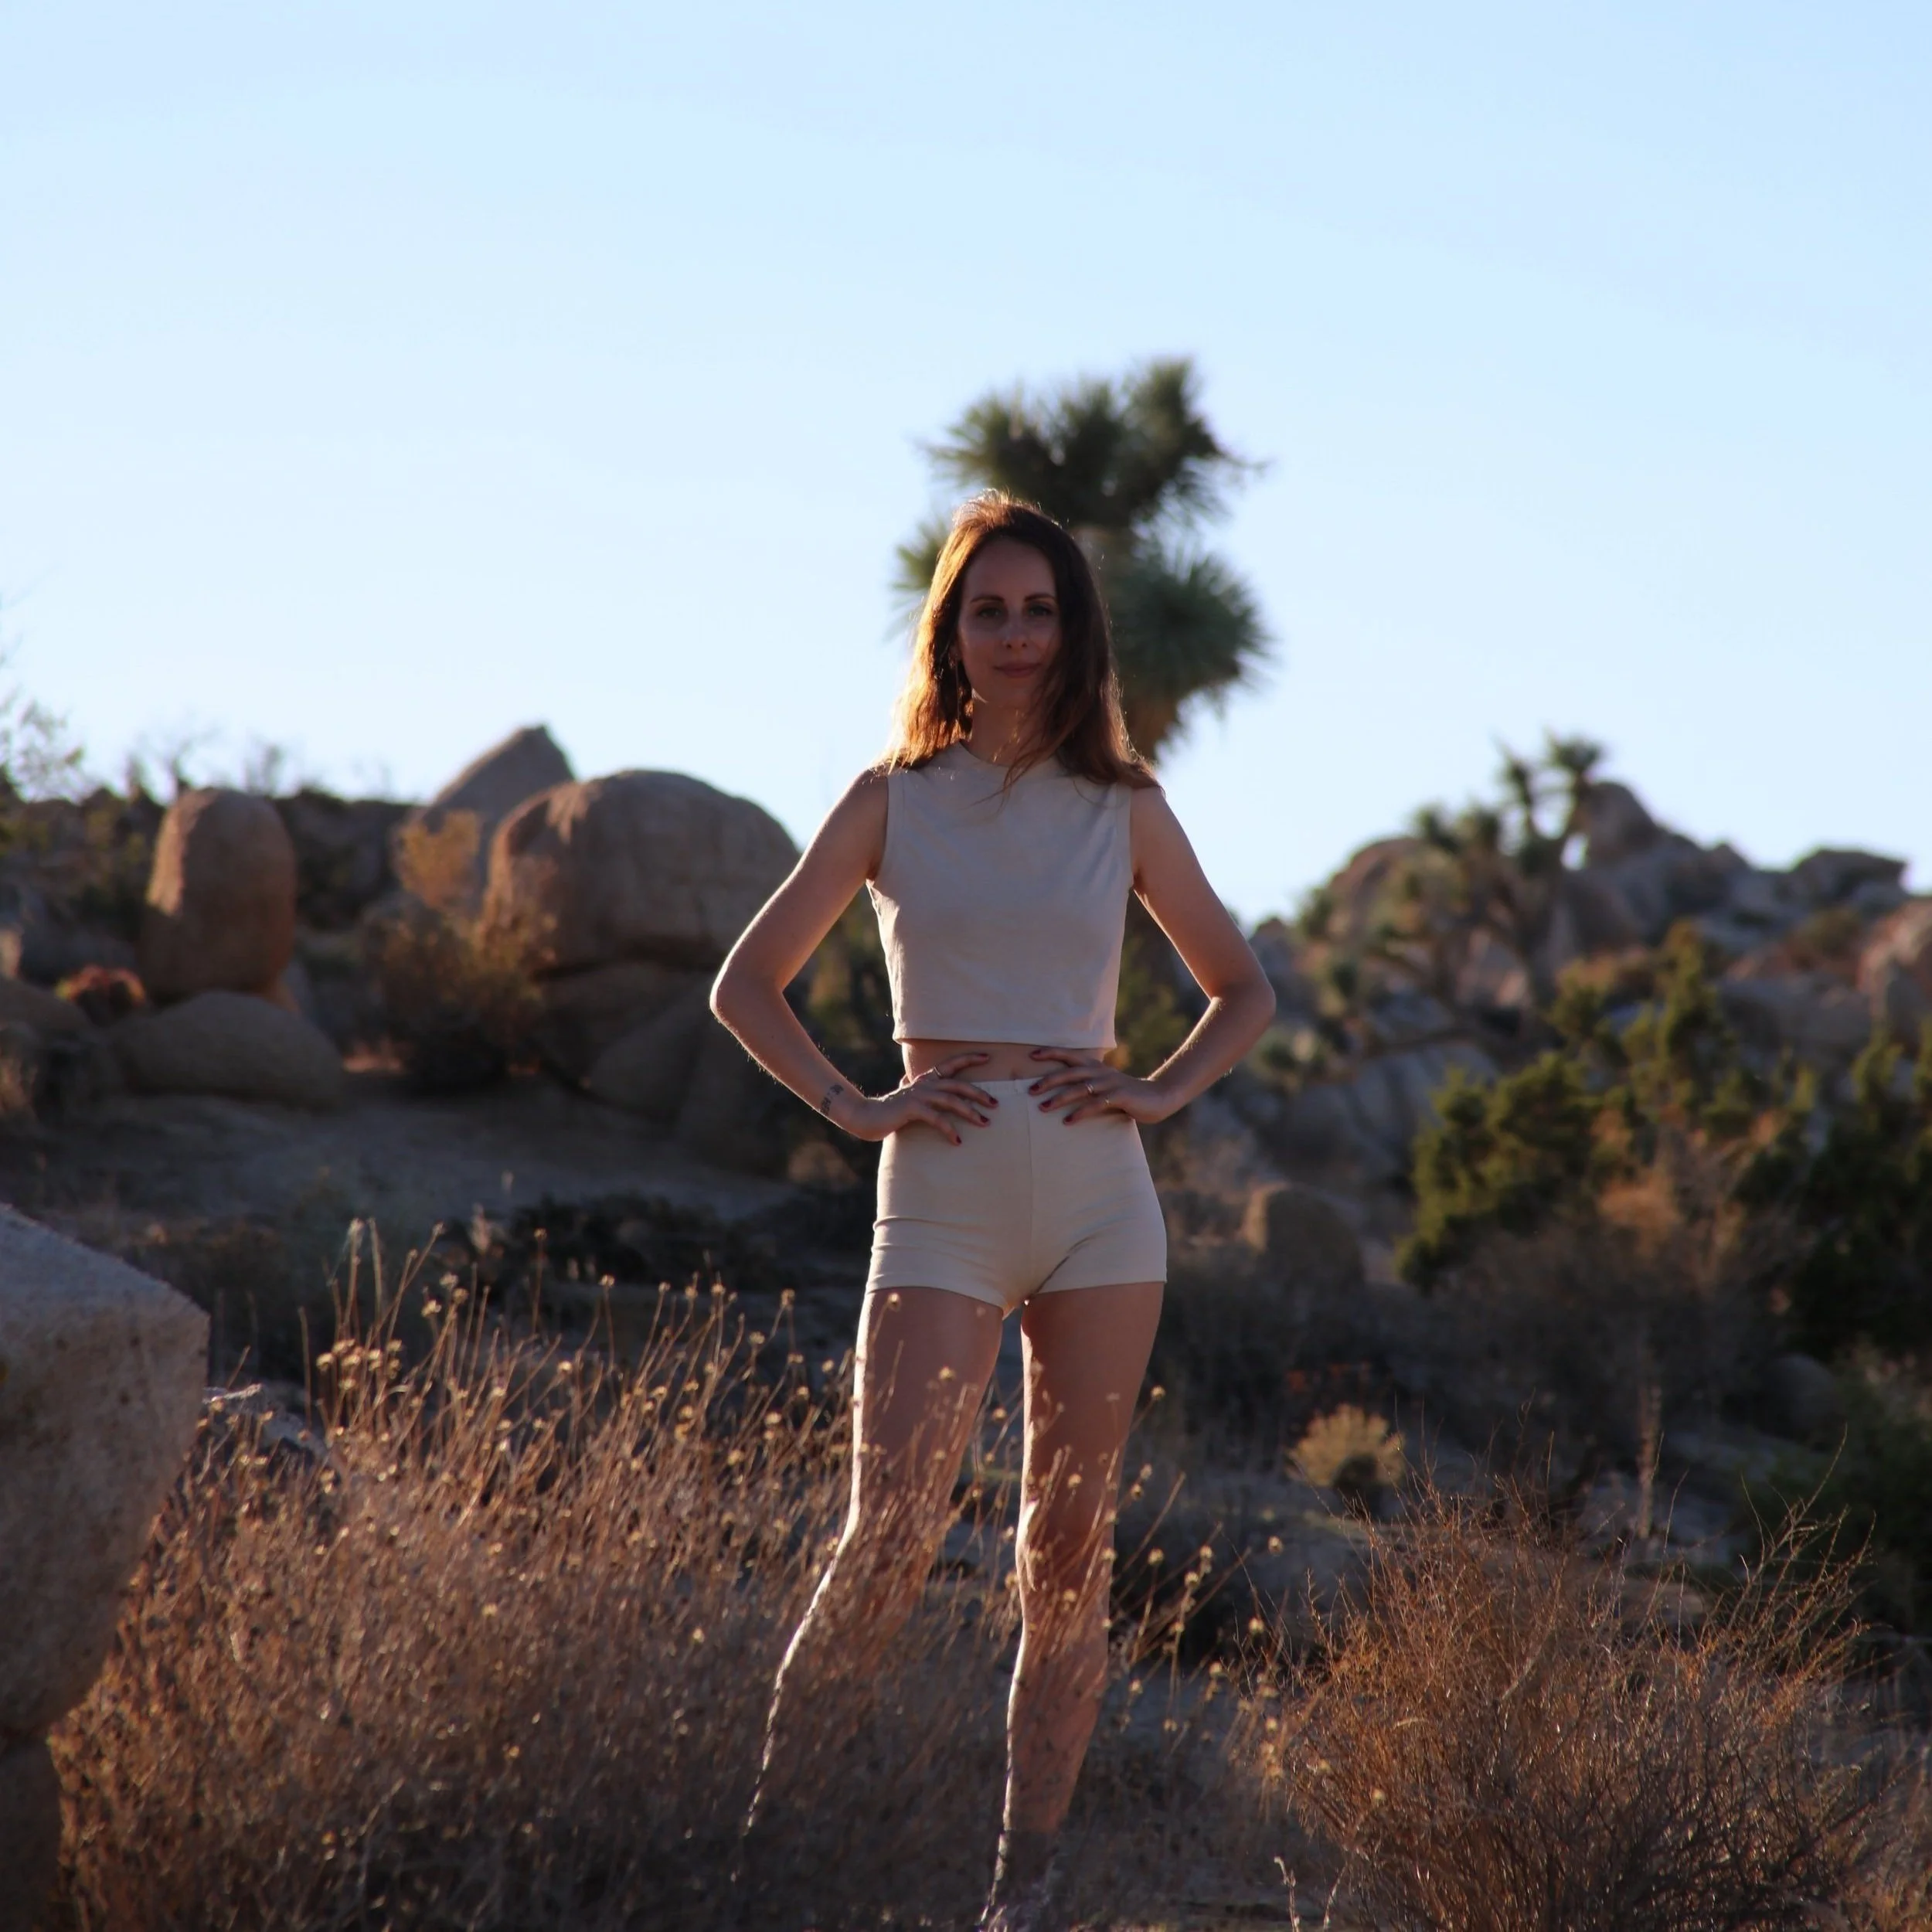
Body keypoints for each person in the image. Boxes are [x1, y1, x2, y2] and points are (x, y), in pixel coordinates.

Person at [709, 492, 1275, 1929]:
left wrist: (1159, 1090)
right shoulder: (893, 797)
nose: (1016, 634)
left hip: (1101, 1200)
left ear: (1073, 630)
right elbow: (745, 985)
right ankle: (766, 1859)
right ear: (950, 632)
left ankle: (1020, 1899)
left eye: (1039, 609)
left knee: (1066, 1556)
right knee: (888, 1533)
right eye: (989, 610)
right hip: (941, 1186)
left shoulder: (1125, 808)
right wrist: (855, 1106)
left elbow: (1243, 989)